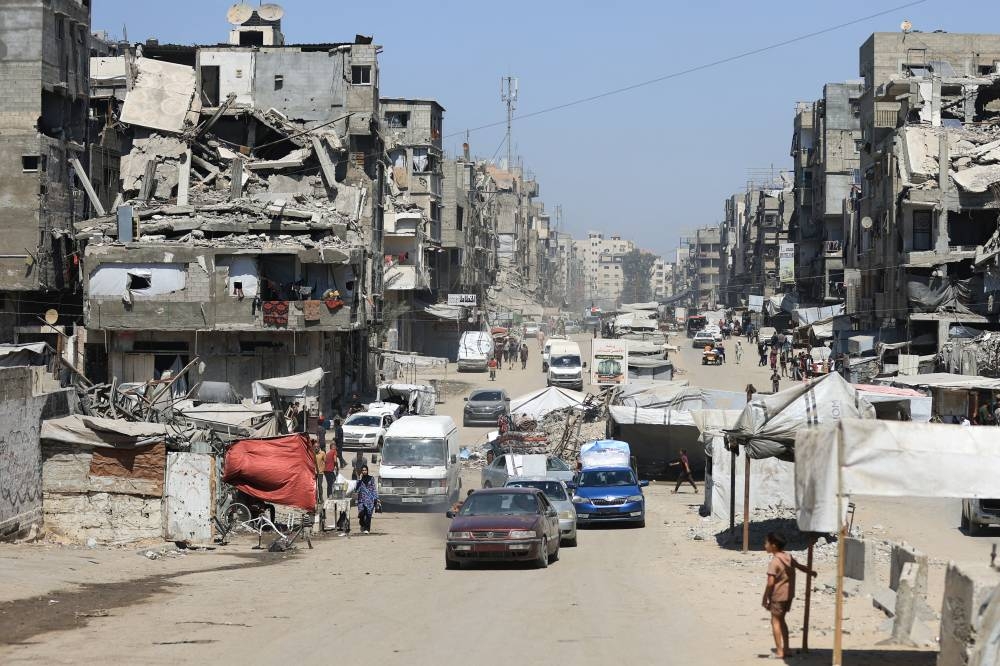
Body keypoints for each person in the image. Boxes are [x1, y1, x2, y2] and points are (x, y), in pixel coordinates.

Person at [762, 531, 817, 660]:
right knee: (781, 620)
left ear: (774, 545)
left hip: (778, 596)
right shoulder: (788, 557)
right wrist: (811, 572)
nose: (765, 545)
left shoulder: (774, 562)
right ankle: (786, 649)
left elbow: (770, 583)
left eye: (766, 543)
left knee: (775, 621)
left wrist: (765, 597)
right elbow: (799, 567)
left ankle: (780, 651)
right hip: (788, 596)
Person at [353, 464, 379, 534]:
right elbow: (356, 489)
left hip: (370, 499)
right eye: (363, 470)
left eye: (365, 470)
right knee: (361, 514)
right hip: (361, 500)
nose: (364, 471)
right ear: (361, 471)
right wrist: (359, 480)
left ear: (367, 471)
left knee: (368, 515)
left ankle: (367, 529)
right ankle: (362, 524)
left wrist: (376, 498)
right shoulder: (359, 480)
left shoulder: (371, 478)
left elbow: (374, 488)